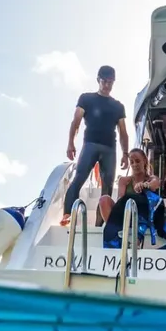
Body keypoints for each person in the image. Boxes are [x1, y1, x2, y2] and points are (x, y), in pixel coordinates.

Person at [62, 65, 129, 227]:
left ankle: (100, 224)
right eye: (105, 81)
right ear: (98, 80)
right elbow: (76, 121)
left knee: (107, 187)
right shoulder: (86, 98)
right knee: (79, 178)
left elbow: (123, 132)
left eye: (111, 82)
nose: (107, 85)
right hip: (90, 144)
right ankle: (67, 215)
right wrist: (71, 142)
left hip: (109, 149)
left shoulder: (118, 106)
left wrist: (125, 153)